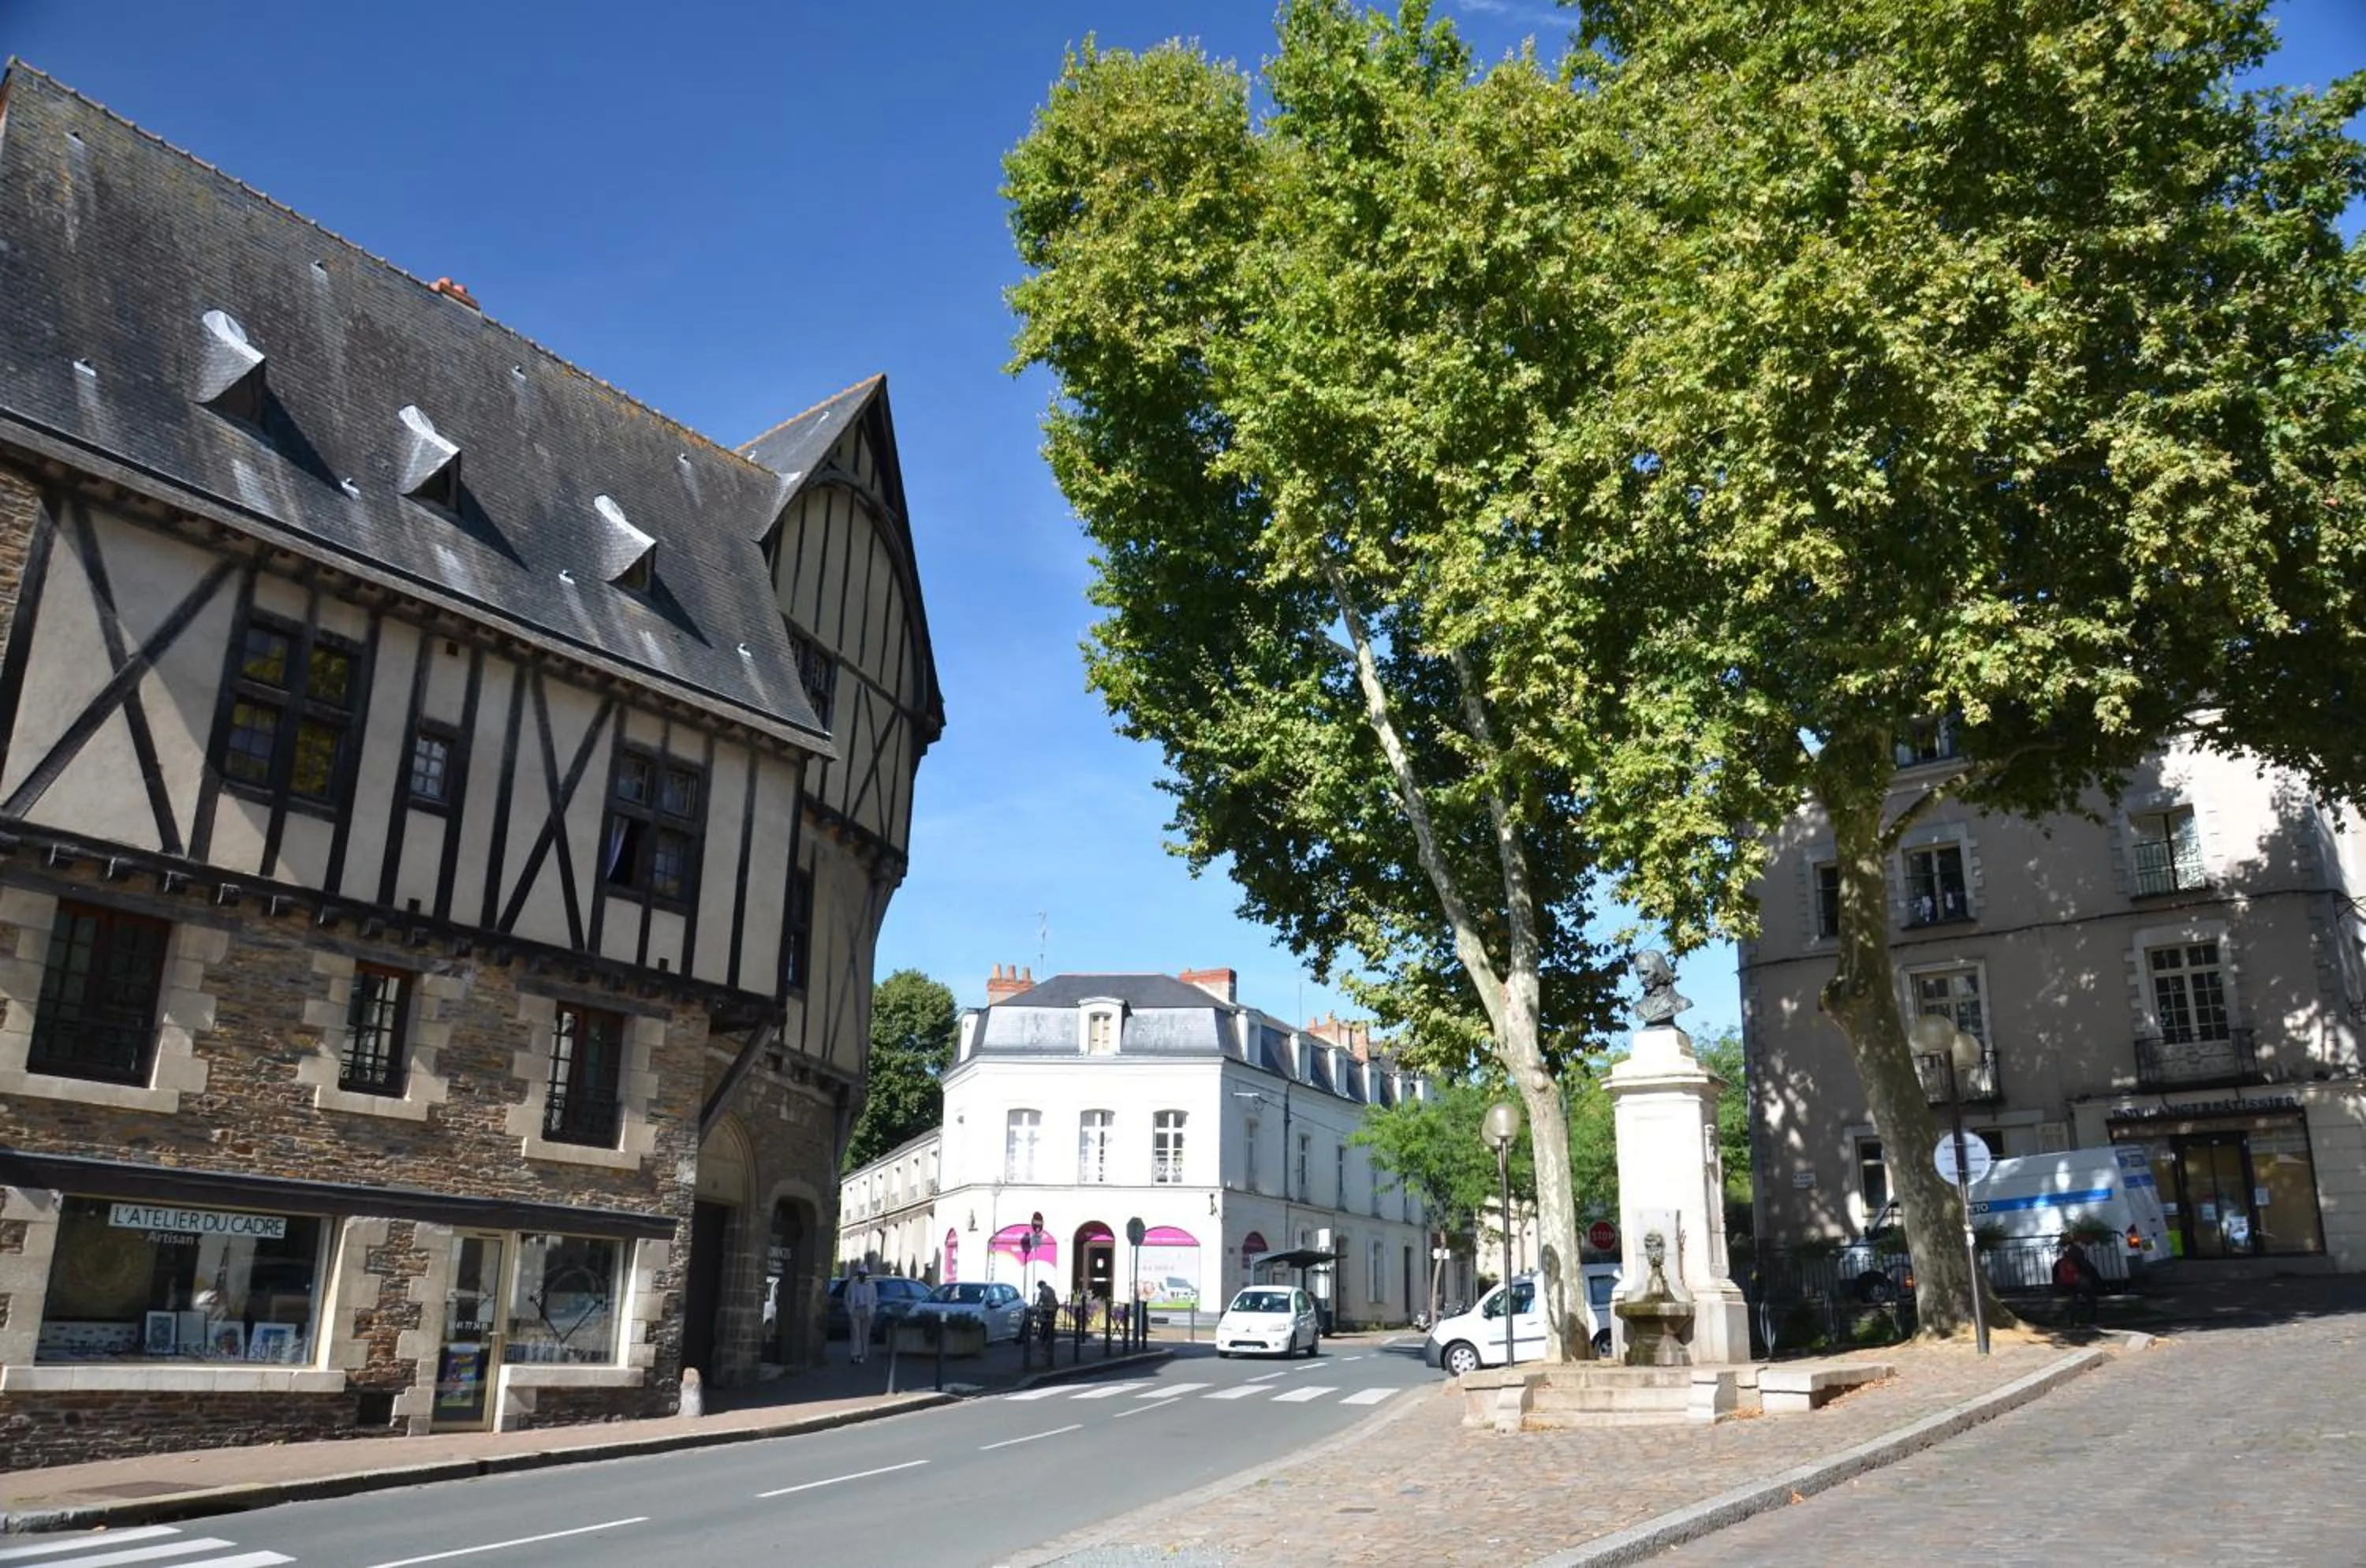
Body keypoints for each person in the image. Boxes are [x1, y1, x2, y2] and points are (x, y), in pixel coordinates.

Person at [2052, 1236, 2100, 1326]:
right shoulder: (2077, 1255)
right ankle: (2091, 1319)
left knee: (2073, 1299)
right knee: (2090, 1298)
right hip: (2075, 1283)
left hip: (2067, 1284)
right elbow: (2088, 1271)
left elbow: (2056, 1275)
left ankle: (2072, 1321)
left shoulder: (2061, 1259)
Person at [845, 1267, 879, 1362]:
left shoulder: (871, 1285)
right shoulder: (852, 1284)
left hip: (867, 1311)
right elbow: (847, 1297)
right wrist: (849, 1309)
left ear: (866, 1275)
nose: (862, 1276)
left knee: (865, 1334)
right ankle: (855, 1354)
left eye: (864, 1274)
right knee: (855, 1333)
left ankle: (864, 1354)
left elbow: (874, 1299)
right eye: (860, 1274)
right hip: (855, 1310)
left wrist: (873, 1310)